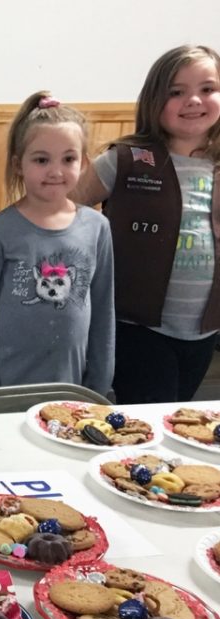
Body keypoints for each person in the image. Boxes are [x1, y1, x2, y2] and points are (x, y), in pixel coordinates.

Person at [72, 45, 220, 403]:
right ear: (154, 98)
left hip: (204, 331)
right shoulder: (124, 160)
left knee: (177, 415)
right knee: (149, 418)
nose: (194, 101)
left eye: (207, 89)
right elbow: (64, 207)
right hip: (137, 328)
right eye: (176, 91)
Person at [0, 92, 114, 393]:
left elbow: (103, 312)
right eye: (42, 159)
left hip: (72, 391)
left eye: (68, 159)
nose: (56, 171)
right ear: (19, 164)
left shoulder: (97, 228)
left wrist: (100, 386)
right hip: (4, 393)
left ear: (83, 163)